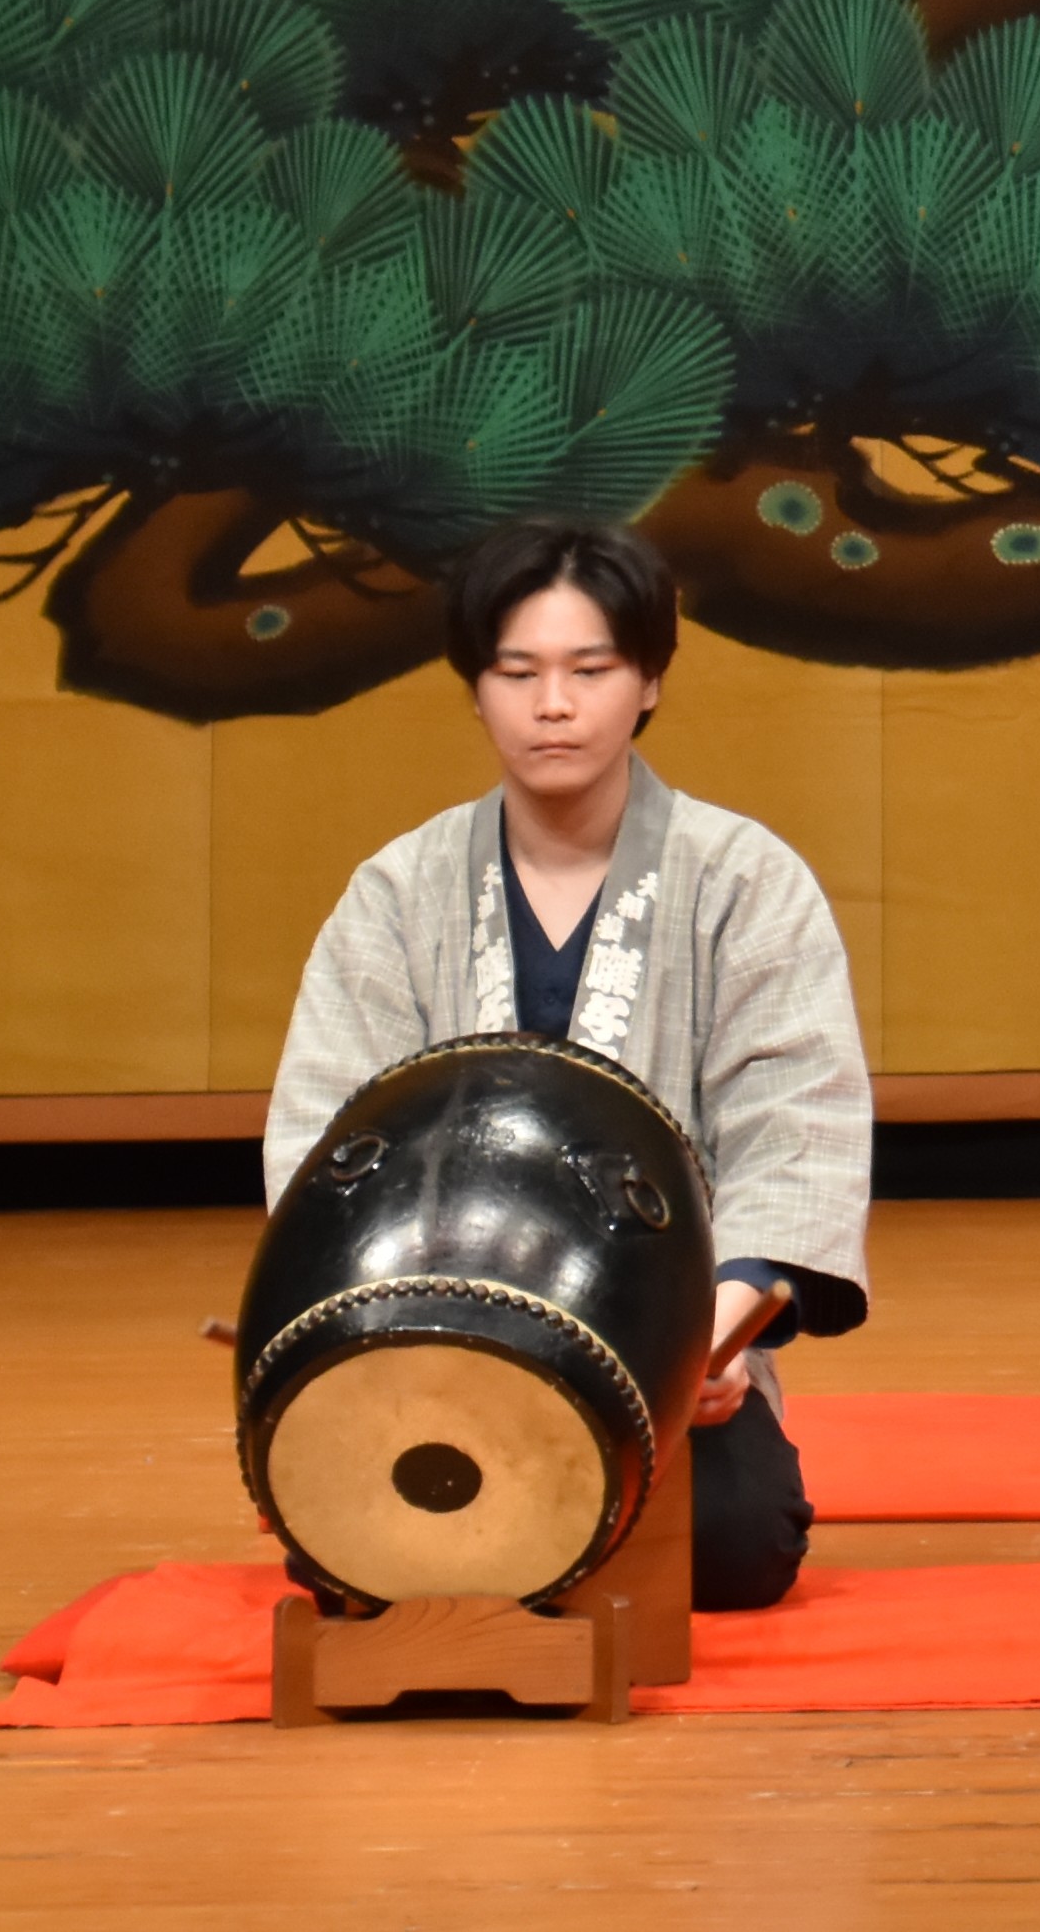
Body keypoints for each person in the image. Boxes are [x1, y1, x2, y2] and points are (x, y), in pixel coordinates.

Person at [263, 518, 871, 1610]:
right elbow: (325, 1142)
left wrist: (706, 1349)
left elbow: (797, 1132)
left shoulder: (744, 882)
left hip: (670, 1357)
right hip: (427, 1346)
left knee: (735, 1550)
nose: (554, 704)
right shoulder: (397, 894)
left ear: (647, 681)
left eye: (590, 670)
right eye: (518, 672)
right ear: (476, 688)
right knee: (349, 1566)